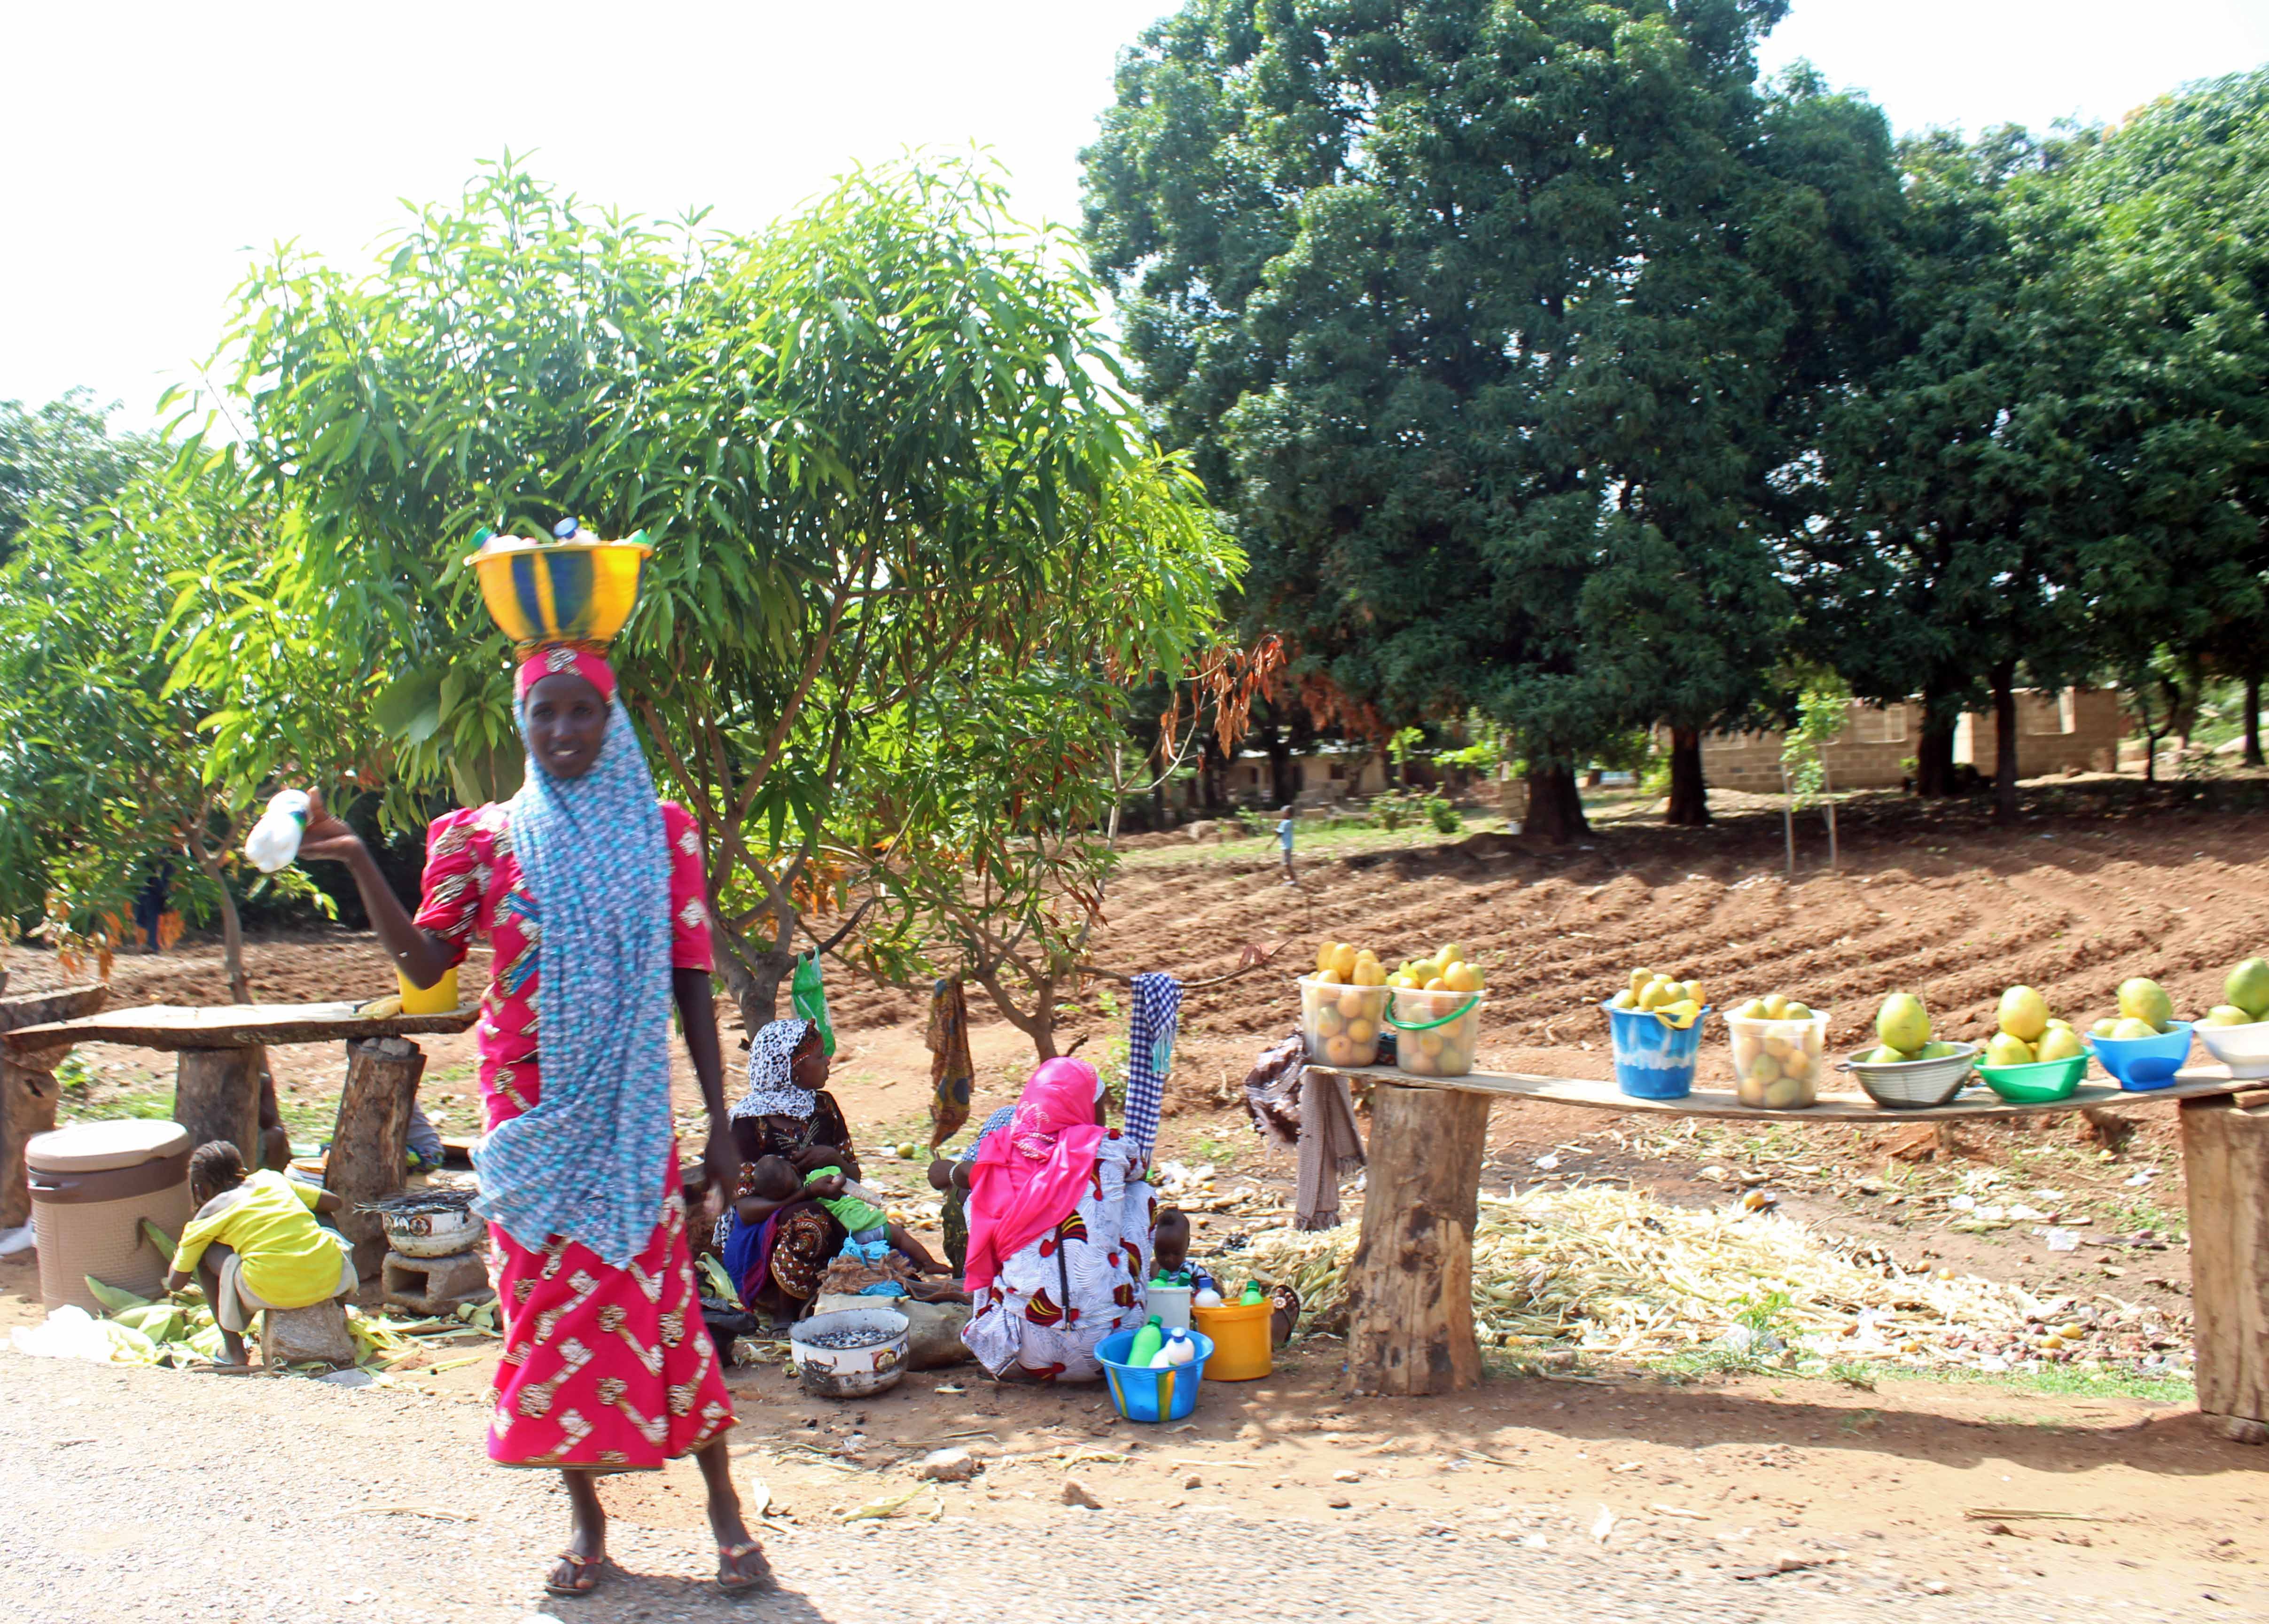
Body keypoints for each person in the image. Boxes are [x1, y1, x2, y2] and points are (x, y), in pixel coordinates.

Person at [294, 643, 767, 1598]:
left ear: (610, 718)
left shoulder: (659, 832)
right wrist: (353, 858)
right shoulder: (479, 838)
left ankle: (722, 1510)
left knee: (660, 1301)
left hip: (629, 1116)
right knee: (547, 1316)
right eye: (542, 714)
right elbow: (428, 965)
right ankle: (589, 1522)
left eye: (579, 712)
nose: (561, 732)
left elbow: (688, 983)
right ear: (520, 722)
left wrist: (723, 1122)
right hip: (526, 1112)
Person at [960, 1056, 1157, 1382]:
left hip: (1026, 1354)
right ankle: (1133, 1301)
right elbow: (1139, 1169)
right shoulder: (1110, 1147)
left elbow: (962, 1177)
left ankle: (993, 1330)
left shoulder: (1000, 1151)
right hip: (1114, 1347)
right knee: (1139, 1194)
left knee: (980, 1198)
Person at [718, 1018, 861, 1320]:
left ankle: (831, 1297)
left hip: (834, 1207)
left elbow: (855, 1177)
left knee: (874, 1227)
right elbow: (746, 1210)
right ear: (794, 1068)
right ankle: (786, 1313)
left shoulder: (824, 1107)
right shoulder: (748, 1123)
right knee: (809, 1220)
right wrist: (806, 1193)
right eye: (820, 1055)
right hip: (766, 1232)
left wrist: (834, 1158)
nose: (828, 1061)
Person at [166, 1140, 353, 1368]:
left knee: (206, 1255)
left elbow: (176, 1282)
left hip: (270, 1289)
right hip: (330, 1278)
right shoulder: (271, 1179)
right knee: (321, 1215)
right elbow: (333, 1202)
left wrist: (192, 1243)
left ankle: (234, 1351)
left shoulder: (207, 1216)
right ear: (243, 1171)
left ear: (201, 1189)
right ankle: (338, 1310)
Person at [740, 1158, 948, 1275]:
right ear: (795, 1168)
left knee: (867, 1264)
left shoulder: (795, 1205)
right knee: (900, 1235)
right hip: (867, 1223)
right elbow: (839, 1175)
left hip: (848, 1238)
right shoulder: (817, 1177)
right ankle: (928, 1263)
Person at [1277, 805, 1297, 885]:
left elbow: (1280, 832)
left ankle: (1294, 880)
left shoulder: (1288, 823)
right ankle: (1291, 879)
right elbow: (1279, 834)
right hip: (1285, 845)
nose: (1283, 814)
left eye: (1284, 813)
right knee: (1286, 863)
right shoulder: (1285, 822)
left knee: (1287, 863)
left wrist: (1275, 830)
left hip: (1287, 846)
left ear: (1288, 814)